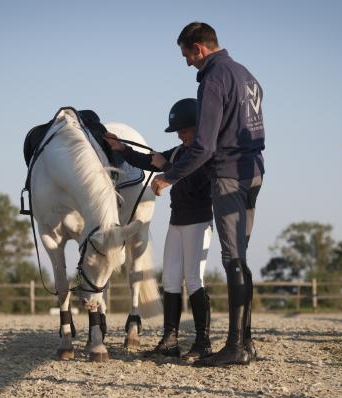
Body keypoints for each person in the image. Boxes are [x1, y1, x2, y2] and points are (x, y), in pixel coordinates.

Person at [151, 22, 265, 367]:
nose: (187, 62)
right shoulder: (247, 75)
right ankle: (246, 342)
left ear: (199, 48)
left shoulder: (214, 79)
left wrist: (168, 177)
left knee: (232, 259)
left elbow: (203, 146)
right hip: (254, 170)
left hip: (229, 174)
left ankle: (234, 347)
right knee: (240, 259)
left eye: (186, 54)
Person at [105, 98, 213, 360]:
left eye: (185, 130)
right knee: (171, 279)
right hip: (177, 222)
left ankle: (202, 342)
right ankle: (169, 340)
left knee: (194, 280)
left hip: (198, 221)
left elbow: (195, 182)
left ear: (199, 127)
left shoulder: (207, 154)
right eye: (179, 131)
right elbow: (148, 160)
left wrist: (167, 170)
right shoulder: (178, 152)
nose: (180, 135)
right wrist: (120, 148)